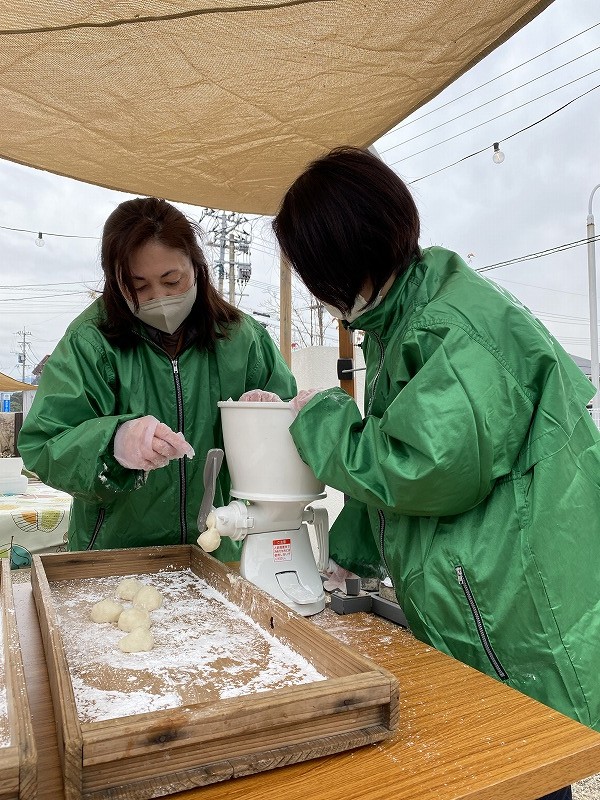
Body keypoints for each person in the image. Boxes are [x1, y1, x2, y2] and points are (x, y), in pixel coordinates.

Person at [271, 146, 600, 800]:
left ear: (341, 260)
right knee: (499, 759)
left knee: (522, 766)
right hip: (489, 593)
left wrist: (319, 416)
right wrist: (354, 552)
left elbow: (421, 467)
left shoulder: (452, 325)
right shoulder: (405, 316)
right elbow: (405, 445)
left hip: (515, 603)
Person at [18, 197, 296, 558]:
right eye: (139, 285)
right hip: (115, 555)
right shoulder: (90, 342)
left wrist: (266, 419)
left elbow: (290, 436)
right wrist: (112, 444)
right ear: (115, 281)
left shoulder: (243, 340)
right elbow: (43, 445)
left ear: (196, 267)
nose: (159, 298)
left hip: (219, 551)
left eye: (171, 280)